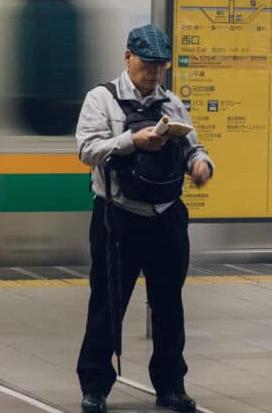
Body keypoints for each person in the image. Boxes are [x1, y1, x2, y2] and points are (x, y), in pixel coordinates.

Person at [75, 25, 214, 413]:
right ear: (127, 57)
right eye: (147, 64)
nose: (154, 73)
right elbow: (86, 150)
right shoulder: (101, 99)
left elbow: (193, 147)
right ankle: (95, 386)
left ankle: (171, 386)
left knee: (169, 304)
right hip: (117, 217)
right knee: (107, 302)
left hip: (167, 217)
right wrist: (131, 141)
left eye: (160, 66)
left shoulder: (172, 103)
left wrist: (201, 164)